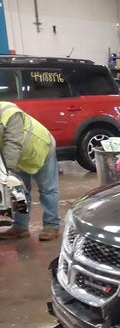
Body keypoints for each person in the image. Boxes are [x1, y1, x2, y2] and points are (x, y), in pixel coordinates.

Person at [0, 102, 60, 241]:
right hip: (19, 158)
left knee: (47, 190)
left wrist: (5, 173)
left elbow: (13, 144)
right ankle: (20, 227)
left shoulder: (9, 113)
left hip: (40, 149)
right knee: (18, 191)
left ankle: (51, 226)